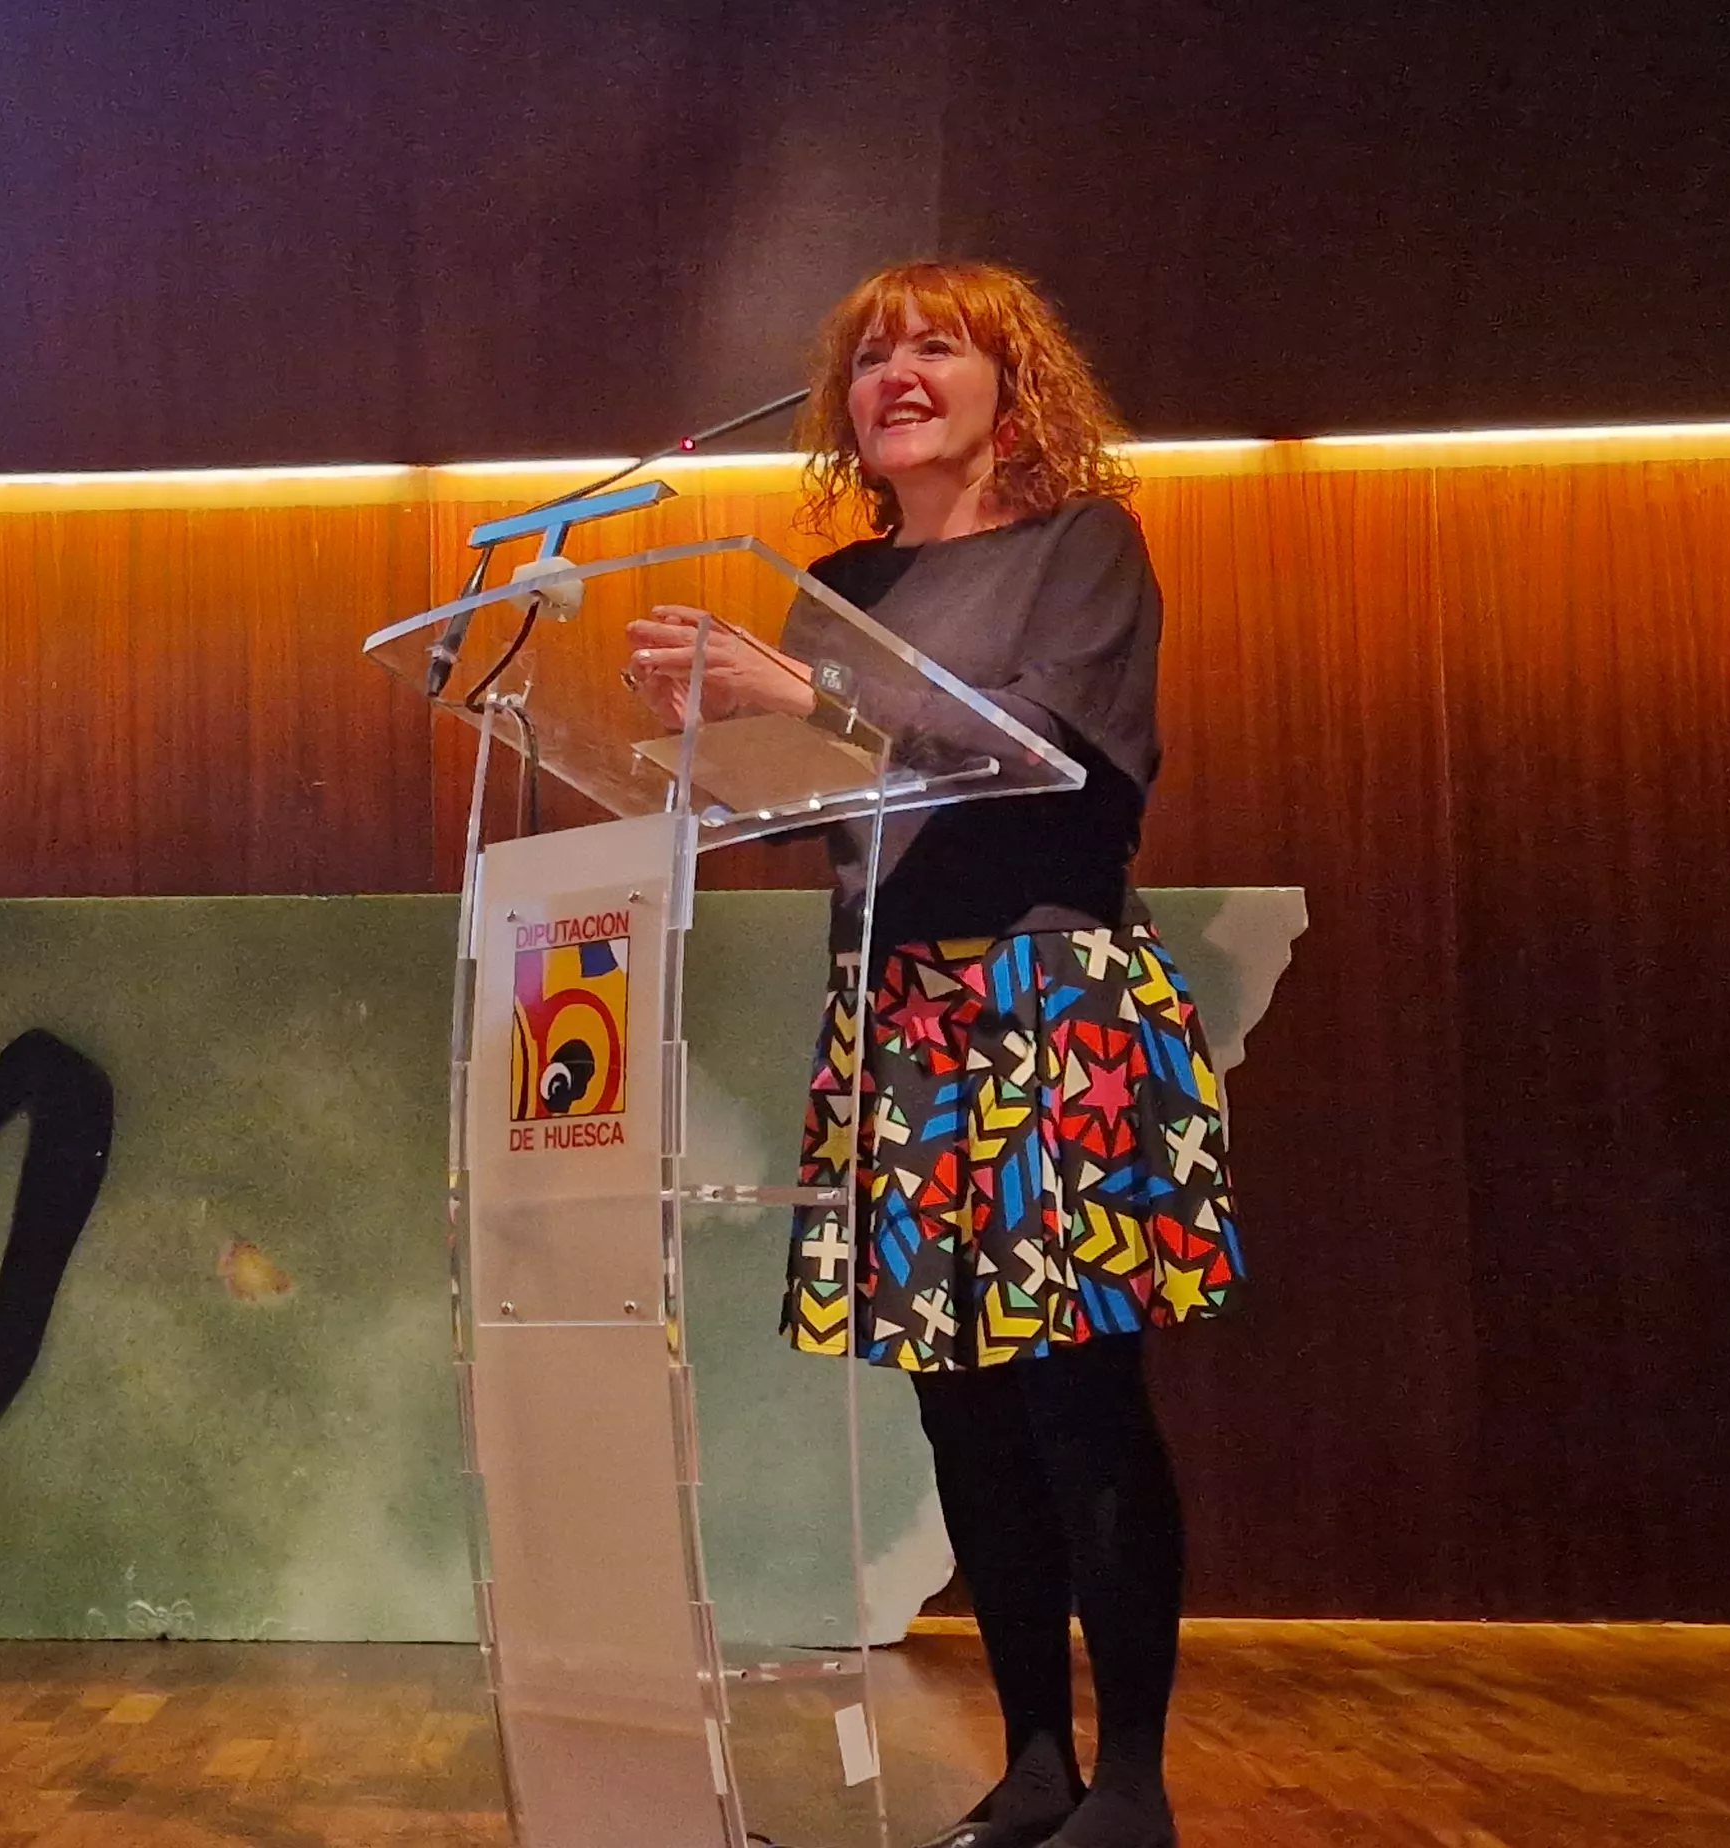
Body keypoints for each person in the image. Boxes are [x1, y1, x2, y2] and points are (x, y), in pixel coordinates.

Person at [625, 260, 1245, 1848]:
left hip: (1053, 1010)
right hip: (896, 1015)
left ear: (1008, 390)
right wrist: (707, 745)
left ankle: (1134, 1782)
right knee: (954, 1402)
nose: (896, 373)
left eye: (937, 348)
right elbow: (818, 792)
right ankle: (1035, 1758)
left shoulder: (1083, 549)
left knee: (1079, 1402)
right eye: (870, 355)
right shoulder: (838, 590)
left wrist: (805, 691)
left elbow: (1033, 749)